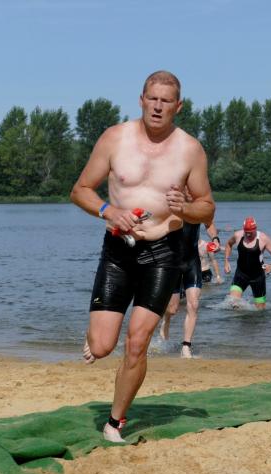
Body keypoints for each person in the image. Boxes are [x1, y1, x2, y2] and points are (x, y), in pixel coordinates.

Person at [70, 70, 215, 442]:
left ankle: (115, 422)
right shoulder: (115, 138)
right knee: (102, 346)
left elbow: (207, 208)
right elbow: (80, 189)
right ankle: (95, 335)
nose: (158, 106)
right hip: (118, 250)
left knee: (137, 342)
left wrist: (185, 208)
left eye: (166, 101)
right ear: (141, 100)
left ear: (178, 106)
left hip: (164, 252)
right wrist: (108, 210)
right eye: (152, 98)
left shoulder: (190, 149)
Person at [158, 219, 219, 358]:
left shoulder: (197, 209)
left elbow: (208, 222)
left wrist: (215, 239)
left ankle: (186, 346)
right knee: (172, 309)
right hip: (172, 262)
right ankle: (166, 319)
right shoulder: (172, 208)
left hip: (192, 261)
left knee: (194, 304)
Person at [223, 217, 271, 310]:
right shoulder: (238, 235)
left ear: (255, 229)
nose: (248, 234)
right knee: (233, 302)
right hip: (241, 274)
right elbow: (228, 244)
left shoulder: (263, 238)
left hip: (257, 277)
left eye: (251, 232)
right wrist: (226, 261)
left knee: (260, 310)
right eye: (246, 232)